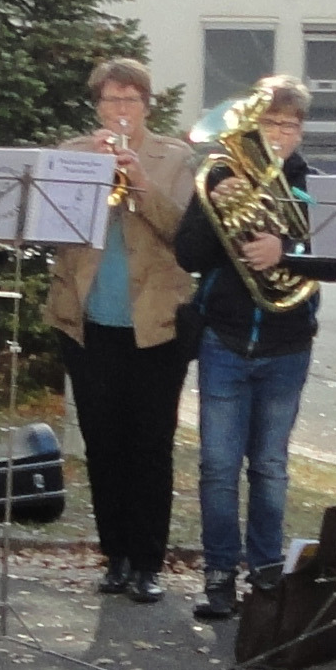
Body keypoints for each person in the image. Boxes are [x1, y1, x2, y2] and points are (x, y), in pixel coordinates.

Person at [175, 76, 336, 621]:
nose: (279, 133)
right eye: (269, 123)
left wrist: (286, 249)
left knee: (270, 466)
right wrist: (210, 207)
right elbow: (189, 255)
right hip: (225, 340)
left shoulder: (314, 189)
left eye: (289, 124)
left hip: (287, 344)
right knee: (218, 467)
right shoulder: (221, 178)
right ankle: (220, 573)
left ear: (300, 132)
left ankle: (266, 570)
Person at [47, 56, 199, 604]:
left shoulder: (175, 158)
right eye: (110, 101)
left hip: (154, 324)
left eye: (130, 101)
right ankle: (115, 555)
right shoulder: (70, 155)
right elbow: (52, 229)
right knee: (103, 443)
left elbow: (184, 234)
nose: (120, 110)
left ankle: (148, 562)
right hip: (88, 321)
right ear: (97, 106)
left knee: (151, 445)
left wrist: (137, 182)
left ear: (146, 106)